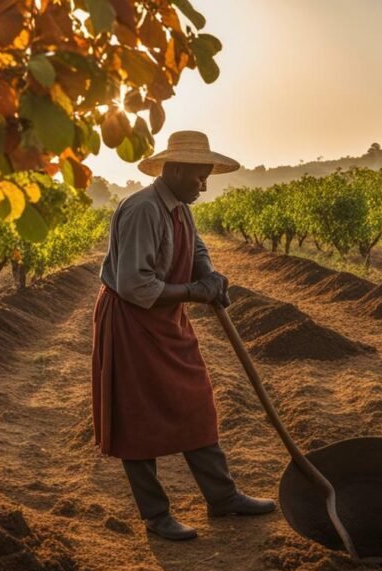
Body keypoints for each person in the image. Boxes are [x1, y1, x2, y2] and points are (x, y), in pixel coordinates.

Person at [92, 130, 276, 541]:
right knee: (136, 418)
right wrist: (195, 292)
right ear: (174, 170)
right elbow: (135, 286)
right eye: (199, 178)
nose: (205, 186)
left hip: (165, 319)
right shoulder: (142, 210)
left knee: (195, 401)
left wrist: (208, 274)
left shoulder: (179, 207)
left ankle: (222, 497)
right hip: (131, 322)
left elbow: (195, 249)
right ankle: (156, 517)